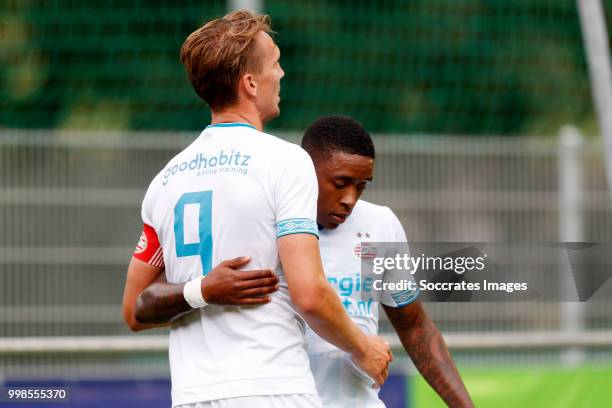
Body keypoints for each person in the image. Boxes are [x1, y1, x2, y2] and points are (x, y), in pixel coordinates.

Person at [121, 10, 391, 408]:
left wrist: (199, 291)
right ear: (250, 83)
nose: (281, 74)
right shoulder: (285, 161)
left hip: (193, 396)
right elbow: (310, 294)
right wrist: (363, 347)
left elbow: (134, 309)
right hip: (272, 389)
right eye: (275, 64)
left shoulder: (165, 181)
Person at [129, 115, 474, 407]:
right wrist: (202, 289)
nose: (350, 199)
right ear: (305, 172)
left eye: (362, 186)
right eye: (340, 184)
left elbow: (415, 326)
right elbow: (140, 306)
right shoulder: (266, 225)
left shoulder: (377, 226)